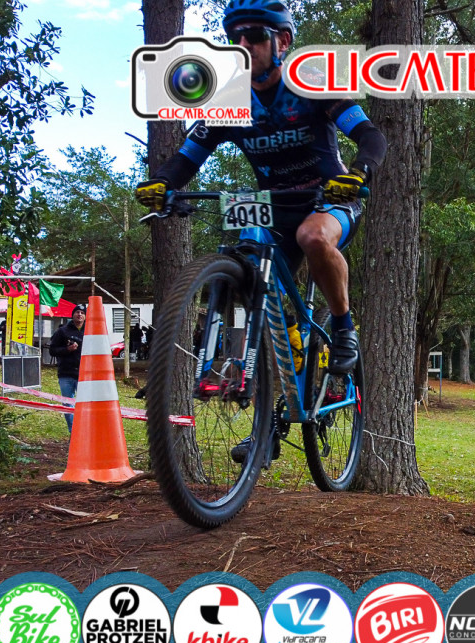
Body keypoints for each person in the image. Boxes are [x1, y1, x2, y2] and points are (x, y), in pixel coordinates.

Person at [134, 0, 387, 376]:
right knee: (251, 271)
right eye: (234, 38)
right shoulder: (229, 99)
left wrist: (358, 173)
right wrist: (162, 183)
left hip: (328, 200)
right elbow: (188, 157)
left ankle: (343, 328)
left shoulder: (311, 84)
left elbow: (369, 135)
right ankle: (283, 341)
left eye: (253, 35)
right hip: (274, 209)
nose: (243, 45)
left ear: (282, 41)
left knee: (313, 236)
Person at [49, 303, 87, 432]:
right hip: (66, 373)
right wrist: (67, 349)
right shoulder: (63, 331)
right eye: (77, 312)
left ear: (85, 316)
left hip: (84, 375)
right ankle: (74, 432)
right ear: (73, 315)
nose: (79, 314)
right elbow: (52, 350)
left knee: (84, 404)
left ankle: (84, 432)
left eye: (82, 313)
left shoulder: (90, 331)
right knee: (67, 404)